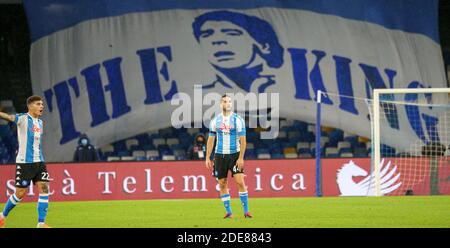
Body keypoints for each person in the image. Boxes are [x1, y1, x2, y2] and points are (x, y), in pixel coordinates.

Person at [192, 10, 284, 93]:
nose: (217, 40)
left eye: (232, 33)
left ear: (264, 46)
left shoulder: (285, 87)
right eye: (206, 35)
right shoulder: (200, 94)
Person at [0, 96, 50, 228]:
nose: (41, 106)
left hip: (40, 162)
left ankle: (41, 223)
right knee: (20, 194)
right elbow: (10, 117)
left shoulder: (40, 123)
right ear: (30, 106)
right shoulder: (22, 118)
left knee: (44, 190)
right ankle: (2, 216)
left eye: (42, 104)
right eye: (38, 104)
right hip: (25, 163)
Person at [205, 94, 251, 218]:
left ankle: (246, 211)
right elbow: (211, 140)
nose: (228, 103)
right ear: (221, 104)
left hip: (235, 155)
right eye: (225, 101)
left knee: (240, 182)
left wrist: (241, 157)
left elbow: (243, 141)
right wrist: (207, 157)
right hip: (220, 156)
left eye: (230, 101)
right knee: (222, 183)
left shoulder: (238, 120)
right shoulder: (215, 121)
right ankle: (229, 212)